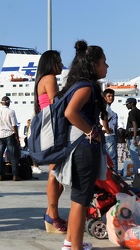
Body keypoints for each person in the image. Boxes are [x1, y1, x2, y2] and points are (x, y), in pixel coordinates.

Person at [56, 40, 108, 250]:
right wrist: (91, 131)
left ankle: (71, 242)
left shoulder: (77, 85)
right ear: (93, 64)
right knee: (81, 200)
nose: (107, 66)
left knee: (78, 198)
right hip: (84, 149)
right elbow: (70, 113)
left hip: (77, 148)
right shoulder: (86, 87)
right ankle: (75, 247)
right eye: (104, 62)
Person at [33, 50, 66, 233]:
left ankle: (50, 213)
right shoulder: (50, 78)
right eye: (59, 62)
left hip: (48, 128)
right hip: (53, 128)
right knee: (55, 173)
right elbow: (57, 105)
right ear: (51, 63)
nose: (61, 65)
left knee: (58, 173)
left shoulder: (42, 80)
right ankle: (53, 215)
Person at [0, 96, 20, 181]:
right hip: (9, 134)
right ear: (8, 103)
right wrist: (17, 136)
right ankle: (15, 176)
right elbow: (14, 125)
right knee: (13, 156)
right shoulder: (11, 112)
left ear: (1, 102)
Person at [101, 89, 118, 172]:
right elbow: (104, 117)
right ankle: (115, 176)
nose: (111, 98)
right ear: (104, 97)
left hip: (105, 135)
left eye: (112, 96)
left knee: (108, 158)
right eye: (109, 96)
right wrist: (107, 129)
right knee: (112, 157)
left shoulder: (105, 106)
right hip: (109, 136)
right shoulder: (106, 107)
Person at [125, 97, 140, 176]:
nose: (126, 106)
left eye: (127, 104)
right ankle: (136, 173)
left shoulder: (132, 112)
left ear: (132, 104)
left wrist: (134, 138)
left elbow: (134, 124)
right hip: (137, 135)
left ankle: (137, 174)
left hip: (133, 136)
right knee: (135, 155)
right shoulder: (139, 112)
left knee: (134, 156)